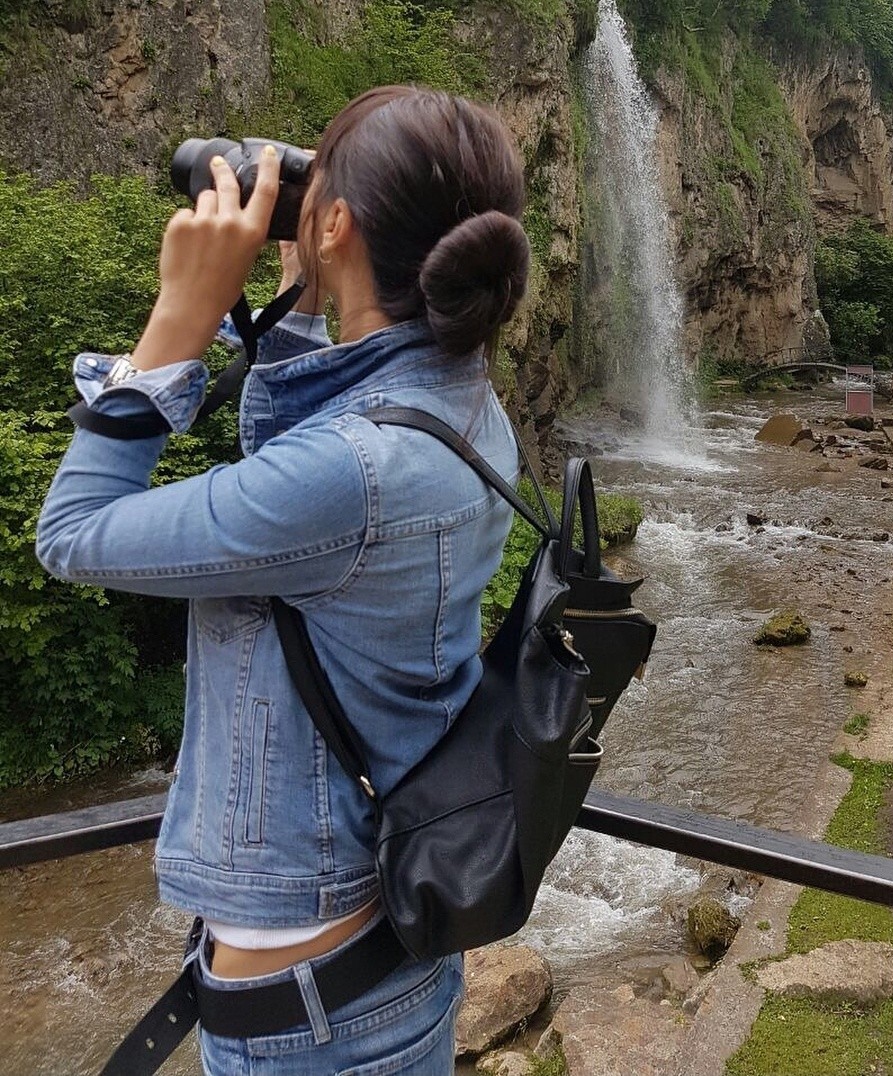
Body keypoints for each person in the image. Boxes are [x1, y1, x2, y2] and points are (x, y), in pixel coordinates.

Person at [36, 85, 531, 1074]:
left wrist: (180, 318)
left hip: (310, 1016)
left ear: (339, 221)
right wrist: (322, 263)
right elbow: (324, 408)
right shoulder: (463, 397)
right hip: (390, 959)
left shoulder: (349, 475)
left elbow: (73, 530)